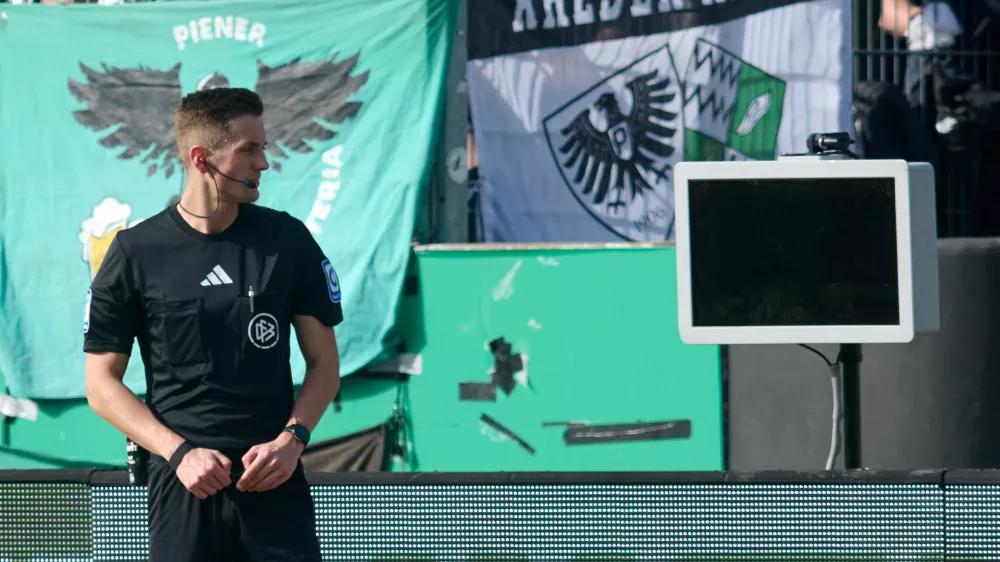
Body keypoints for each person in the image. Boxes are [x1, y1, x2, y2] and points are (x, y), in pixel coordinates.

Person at [83, 87, 343, 562]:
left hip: (275, 487)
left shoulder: (287, 240)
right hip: (184, 489)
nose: (263, 163)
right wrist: (179, 454)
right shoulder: (134, 253)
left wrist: (292, 441)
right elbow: (100, 385)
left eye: (263, 149)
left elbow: (324, 364)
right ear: (202, 158)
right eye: (250, 150)